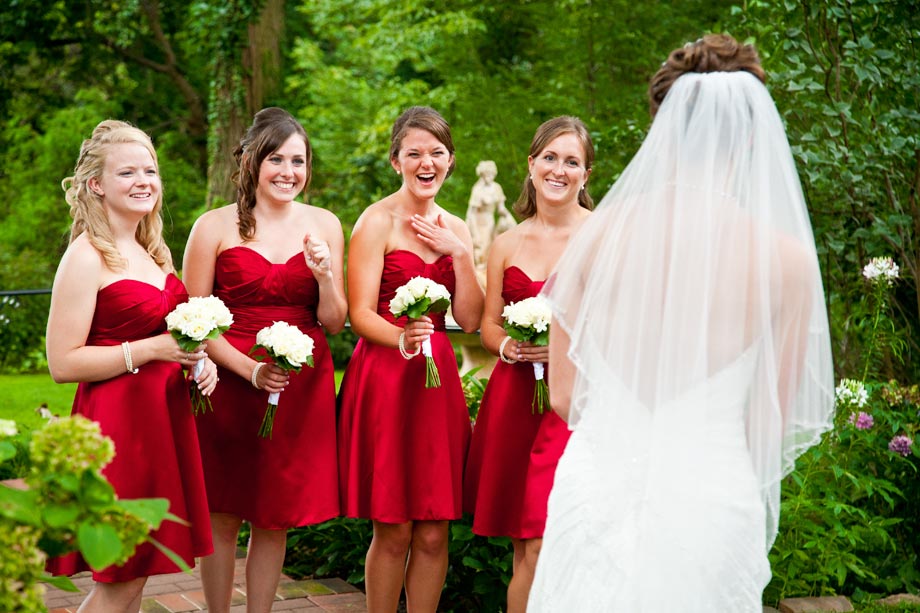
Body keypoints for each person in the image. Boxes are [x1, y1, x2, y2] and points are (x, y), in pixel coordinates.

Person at [528, 34, 835, 612]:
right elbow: (769, 421)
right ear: (750, 136)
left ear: (661, 126)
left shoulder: (594, 237)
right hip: (712, 499)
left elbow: (565, 396)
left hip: (594, 490)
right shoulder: (785, 261)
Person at [45, 120, 217, 612]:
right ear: (96, 184)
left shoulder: (153, 253)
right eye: (128, 173)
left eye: (150, 170)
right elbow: (62, 362)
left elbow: (172, 339)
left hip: (162, 424)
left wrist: (199, 363)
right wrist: (149, 352)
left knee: (137, 576)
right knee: (121, 577)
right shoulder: (85, 257)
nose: (144, 181)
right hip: (117, 429)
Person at [182, 107, 347, 613]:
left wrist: (323, 276)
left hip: (296, 384)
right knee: (223, 512)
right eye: (276, 158)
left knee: (274, 516)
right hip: (226, 381)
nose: (288, 172)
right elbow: (191, 324)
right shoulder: (213, 227)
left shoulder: (325, 224)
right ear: (253, 162)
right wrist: (248, 369)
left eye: (298, 161)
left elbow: (336, 322)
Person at [337, 106, 484, 613]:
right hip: (386, 374)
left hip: (436, 378)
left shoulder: (458, 227)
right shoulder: (375, 221)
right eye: (415, 153)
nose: (427, 162)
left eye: (437, 153)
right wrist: (401, 337)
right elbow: (359, 313)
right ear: (395, 160)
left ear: (451, 161)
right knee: (395, 527)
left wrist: (460, 255)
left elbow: (468, 318)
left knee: (434, 530)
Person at [463, 116, 594, 613]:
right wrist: (507, 347)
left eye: (572, 161)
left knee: (544, 544)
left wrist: (568, 346)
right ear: (531, 164)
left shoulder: (601, 237)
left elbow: (622, 329)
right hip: (515, 400)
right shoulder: (506, 244)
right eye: (550, 158)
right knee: (523, 545)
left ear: (586, 175)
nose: (559, 170)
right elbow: (489, 326)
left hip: (573, 407)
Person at [465, 159, 516, 283]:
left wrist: (509, 219)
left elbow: (501, 208)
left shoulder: (497, 188)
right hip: (478, 221)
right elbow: (471, 212)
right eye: (487, 174)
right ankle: (479, 279)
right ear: (482, 174)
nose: (490, 177)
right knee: (481, 247)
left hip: (490, 221)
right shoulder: (478, 189)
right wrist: (469, 228)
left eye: (492, 174)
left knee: (491, 247)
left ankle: (488, 277)